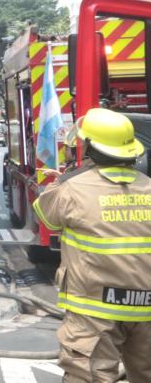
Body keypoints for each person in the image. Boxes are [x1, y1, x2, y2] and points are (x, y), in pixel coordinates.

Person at [34, 108, 151, 383]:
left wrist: (67, 176)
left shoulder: (73, 188)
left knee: (88, 377)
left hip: (94, 312)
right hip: (146, 309)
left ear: (91, 149)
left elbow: (44, 214)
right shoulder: (149, 186)